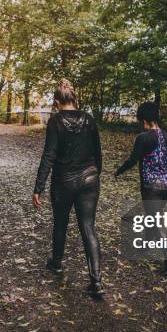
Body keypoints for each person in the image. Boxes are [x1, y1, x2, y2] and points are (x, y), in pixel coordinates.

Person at [32, 79, 104, 297]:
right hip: (90, 179)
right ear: (74, 98)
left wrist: (39, 187)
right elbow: (97, 152)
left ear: (56, 101)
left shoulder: (55, 121)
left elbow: (49, 155)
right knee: (88, 227)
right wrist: (95, 173)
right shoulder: (90, 120)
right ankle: (97, 282)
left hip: (64, 181)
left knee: (61, 223)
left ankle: (56, 263)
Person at [114, 101, 167, 275]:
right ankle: (146, 246)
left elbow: (133, 160)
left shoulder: (142, 138)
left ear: (144, 120)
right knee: (152, 215)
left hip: (150, 188)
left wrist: (118, 171)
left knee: (153, 220)